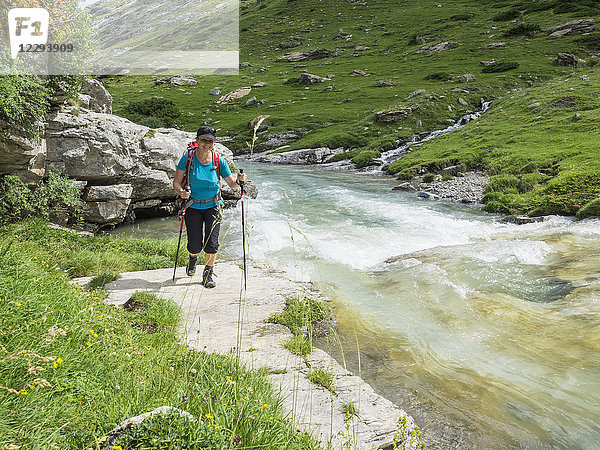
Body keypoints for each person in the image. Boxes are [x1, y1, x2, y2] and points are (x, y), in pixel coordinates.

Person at [173, 126, 246, 288]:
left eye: (210, 141)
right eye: (204, 140)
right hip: (193, 206)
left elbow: (232, 185)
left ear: (214, 143)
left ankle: (208, 274)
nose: (207, 144)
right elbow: (176, 183)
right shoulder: (188, 158)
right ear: (197, 141)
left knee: (212, 243)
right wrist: (181, 192)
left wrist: (239, 181)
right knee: (194, 244)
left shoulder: (218, 160)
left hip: (214, 205)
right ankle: (193, 258)